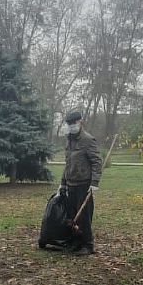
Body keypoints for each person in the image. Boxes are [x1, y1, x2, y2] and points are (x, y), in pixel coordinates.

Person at [57, 109, 103, 255]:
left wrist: (94, 182)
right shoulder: (69, 140)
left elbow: (96, 162)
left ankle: (88, 245)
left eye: (73, 123)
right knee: (72, 215)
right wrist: (62, 183)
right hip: (70, 183)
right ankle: (76, 241)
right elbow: (68, 163)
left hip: (84, 184)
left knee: (84, 216)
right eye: (69, 123)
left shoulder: (88, 140)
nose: (71, 126)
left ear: (80, 122)